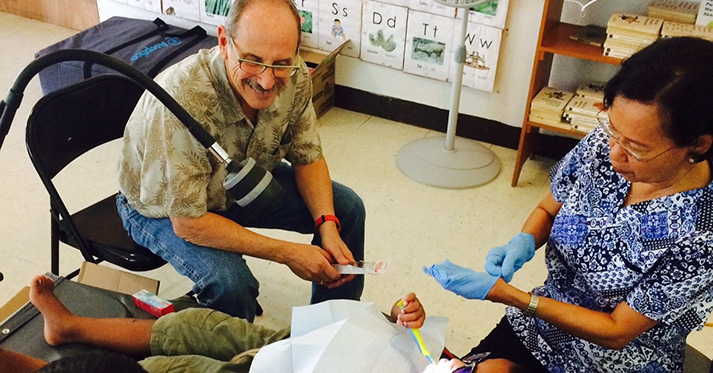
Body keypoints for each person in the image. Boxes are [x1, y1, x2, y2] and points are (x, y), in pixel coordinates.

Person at [425, 36, 713, 372]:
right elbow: (549, 209)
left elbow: (617, 331)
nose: (615, 153)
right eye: (612, 130)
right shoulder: (605, 146)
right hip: (540, 324)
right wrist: (526, 239)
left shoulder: (701, 234)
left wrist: (507, 294)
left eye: (636, 148)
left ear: (698, 145)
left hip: (618, 359)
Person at [117, 0, 365, 321]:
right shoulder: (181, 100)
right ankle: (231, 361)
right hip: (162, 209)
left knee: (347, 210)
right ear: (223, 42)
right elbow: (189, 222)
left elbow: (307, 157)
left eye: (281, 63)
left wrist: (327, 225)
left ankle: (332, 329)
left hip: (240, 185)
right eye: (252, 60)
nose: (266, 80)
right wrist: (287, 253)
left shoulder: (297, 75)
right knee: (232, 285)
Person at [1, 275, 425, 373]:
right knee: (195, 325)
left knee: (168, 368)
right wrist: (405, 318)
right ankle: (69, 327)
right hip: (315, 348)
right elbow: (427, 348)